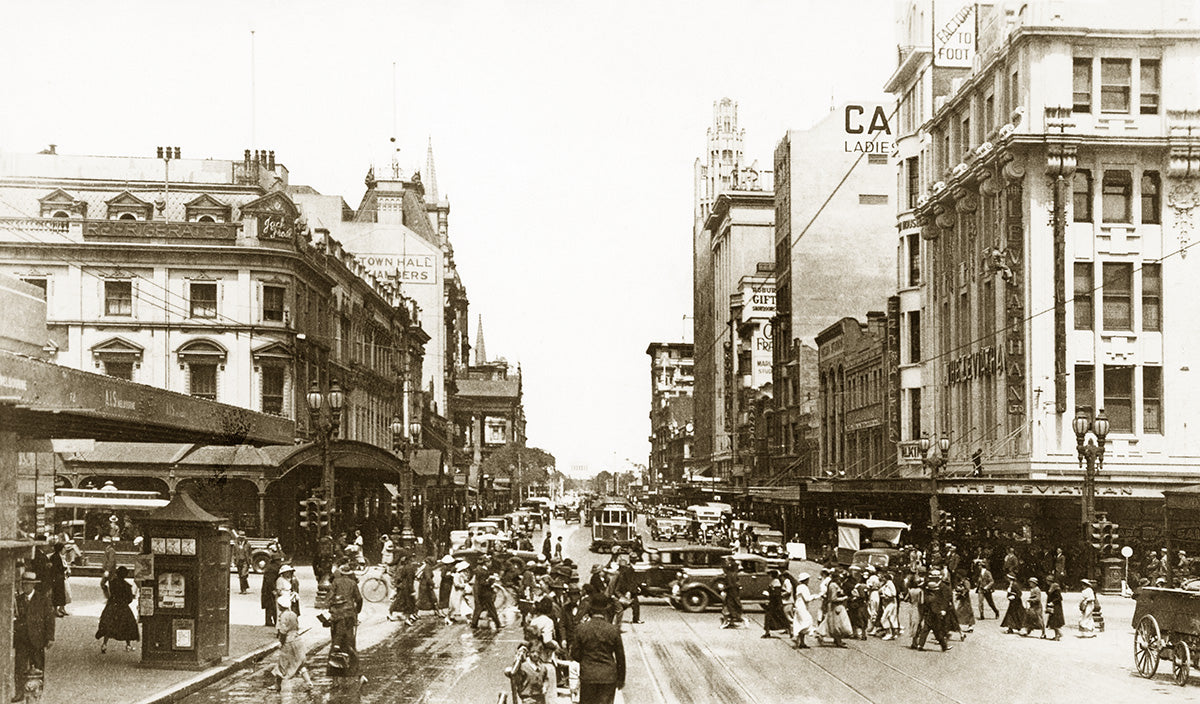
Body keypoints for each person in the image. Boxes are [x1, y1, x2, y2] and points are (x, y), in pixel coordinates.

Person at [572, 594, 625, 704]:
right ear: (606, 610)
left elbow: (575, 654)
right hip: (608, 676)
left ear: (590, 609)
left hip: (588, 675)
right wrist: (621, 678)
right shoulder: (613, 630)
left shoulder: (581, 629)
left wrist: (586, 659)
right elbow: (620, 657)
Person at [13, 570, 54, 702]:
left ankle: (37, 692)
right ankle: (19, 692)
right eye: (23, 584)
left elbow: (49, 619)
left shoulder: (43, 599)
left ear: (33, 585)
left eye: (27, 584)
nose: (25, 587)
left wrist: (50, 637)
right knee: (19, 667)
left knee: (38, 666)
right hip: (22, 640)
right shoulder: (17, 600)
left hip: (37, 639)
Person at [326, 559, 365, 680]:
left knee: (336, 640)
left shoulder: (336, 582)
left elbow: (329, 598)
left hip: (337, 615)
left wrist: (331, 607)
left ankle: (335, 672)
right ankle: (353, 669)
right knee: (349, 641)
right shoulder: (353, 583)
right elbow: (359, 599)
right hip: (349, 615)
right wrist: (357, 611)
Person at [271, 593, 314, 692]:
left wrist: (281, 642)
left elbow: (283, 631)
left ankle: (277, 685)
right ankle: (308, 682)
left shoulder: (283, 616)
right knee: (299, 663)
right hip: (298, 640)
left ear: (280, 606)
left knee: (282, 663)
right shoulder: (293, 614)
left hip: (288, 642)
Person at [95, 565, 139, 653]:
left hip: (112, 606)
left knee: (109, 625)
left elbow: (105, 585)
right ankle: (128, 645)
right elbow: (129, 599)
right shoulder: (127, 586)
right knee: (127, 626)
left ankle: (104, 644)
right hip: (123, 607)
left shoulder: (112, 583)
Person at [824, 571, 852, 647]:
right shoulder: (833, 585)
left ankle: (837, 640)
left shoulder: (835, 585)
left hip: (836, 606)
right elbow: (833, 598)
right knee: (838, 624)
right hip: (835, 606)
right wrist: (844, 598)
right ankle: (838, 641)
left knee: (837, 623)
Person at [472, 561, 503, 630]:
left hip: (481, 593)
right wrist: (491, 581)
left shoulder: (481, 570)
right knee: (491, 608)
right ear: (486, 563)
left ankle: (474, 623)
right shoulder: (482, 572)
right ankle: (498, 624)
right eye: (489, 562)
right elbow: (483, 582)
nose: (491, 563)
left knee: (478, 608)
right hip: (485, 593)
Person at [762, 570, 791, 639]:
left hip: (775, 603)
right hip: (772, 603)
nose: (768, 576)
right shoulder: (773, 582)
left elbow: (776, 594)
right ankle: (767, 632)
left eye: (769, 575)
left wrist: (770, 594)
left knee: (781, 617)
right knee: (769, 617)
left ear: (772, 575)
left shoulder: (776, 583)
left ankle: (790, 630)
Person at [791, 573, 815, 648]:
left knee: (800, 622)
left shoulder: (799, 586)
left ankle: (802, 642)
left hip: (798, 606)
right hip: (802, 607)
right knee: (807, 621)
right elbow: (807, 599)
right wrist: (815, 596)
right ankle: (796, 636)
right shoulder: (804, 587)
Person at [719, 557, 743, 629]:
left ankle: (729, 621)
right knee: (732, 607)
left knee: (728, 607)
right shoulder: (734, 574)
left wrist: (723, 588)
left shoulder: (729, 575)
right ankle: (732, 622)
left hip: (730, 593)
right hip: (735, 593)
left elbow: (730, 585)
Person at [261, 548, 283, 627]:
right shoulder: (272, 568)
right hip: (269, 590)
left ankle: (269, 620)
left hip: (267, 590)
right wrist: (274, 590)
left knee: (269, 606)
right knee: (272, 605)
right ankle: (271, 621)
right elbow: (270, 581)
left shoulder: (271, 567)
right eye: (279, 560)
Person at [879, 571, 899, 640]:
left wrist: (886, 596)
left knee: (884, 618)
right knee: (891, 618)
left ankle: (889, 633)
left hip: (891, 603)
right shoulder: (885, 584)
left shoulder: (890, 583)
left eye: (883, 577)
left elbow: (894, 593)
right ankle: (894, 633)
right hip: (886, 603)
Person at [1045, 575, 1064, 640]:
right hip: (1053, 606)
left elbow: (1059, 598)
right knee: (1053, 621)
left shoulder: (1055, 587)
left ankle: (1059, 634)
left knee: (1055, 621)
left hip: (1056, 607)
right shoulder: (1051, 587)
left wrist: (1053, 602)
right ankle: (1057, 636)